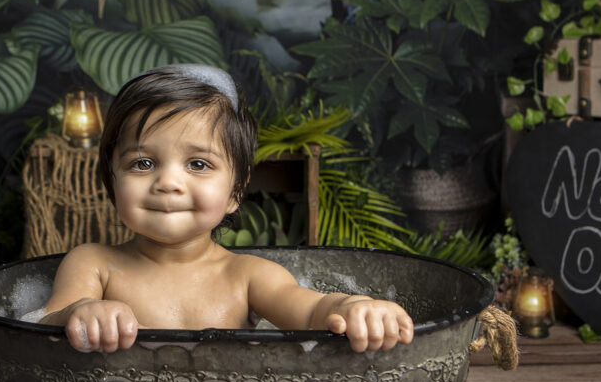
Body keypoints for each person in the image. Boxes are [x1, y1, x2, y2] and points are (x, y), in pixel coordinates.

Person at [38, 64, 414, 353]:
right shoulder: (94, 265)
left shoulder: (248, 275)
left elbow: (313, 312)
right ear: (111, 179)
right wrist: (79, 313)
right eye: (142, 164)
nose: (168, 182)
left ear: (236, 190)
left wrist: (352, 307)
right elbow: (41, 328)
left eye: (198, 165)